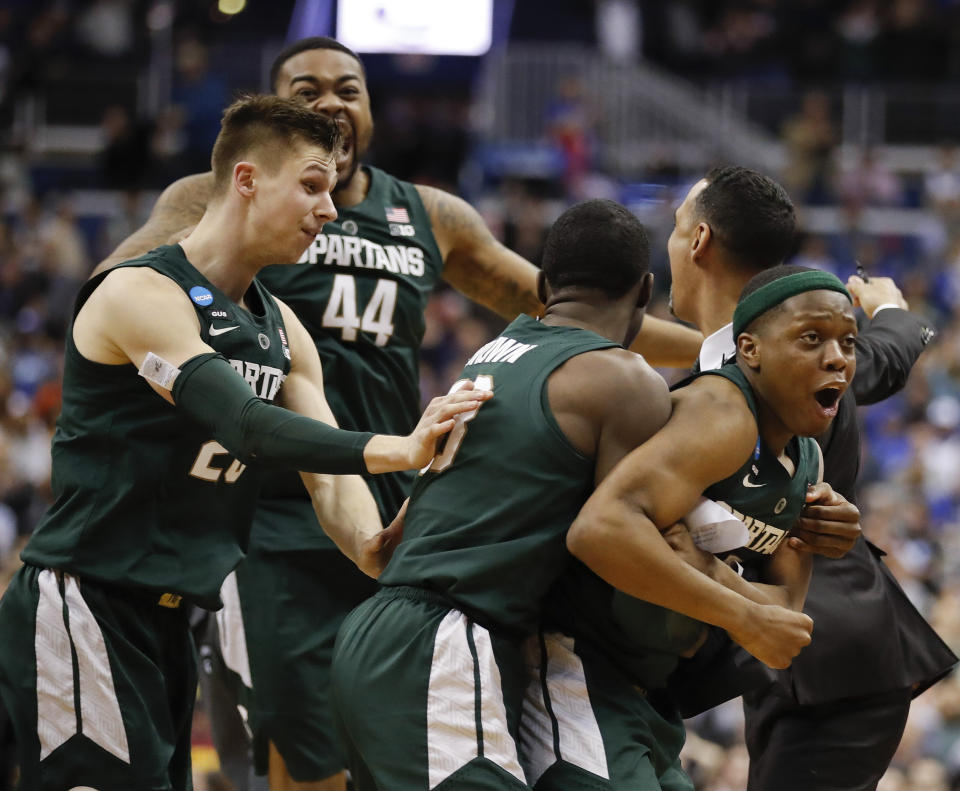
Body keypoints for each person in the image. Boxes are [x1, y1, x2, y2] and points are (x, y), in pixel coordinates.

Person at [93, 36, 705, 791]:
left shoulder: (427, 213)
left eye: (347, 88)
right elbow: (117, 287)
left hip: (388, 511)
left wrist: (715, 350)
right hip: (270, 515)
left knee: (386, 742)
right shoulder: (218, 200)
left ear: (371, 107)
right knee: (297, 754)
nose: (329, 103)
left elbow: (568, 307)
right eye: (305, 89)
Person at [0, 94, 487, 791]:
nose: (328, 209)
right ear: (248, 179)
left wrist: (368, 543)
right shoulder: (141, 292)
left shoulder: (284, 329)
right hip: (85, 601)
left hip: (170, 622)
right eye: (312, 186)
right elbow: (250, 428)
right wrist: (402, 448)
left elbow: (325, 471)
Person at [329, 199, 814, 791]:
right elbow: (627, 536)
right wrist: (745, 609)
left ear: (547, 283)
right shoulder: (623, 378)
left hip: (386, 628)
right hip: (450, 643)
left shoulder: (498, 351)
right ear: (645, 290)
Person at [664, 166, 957, 791]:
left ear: (699, 242)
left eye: (674, 226)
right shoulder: (791, 359)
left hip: (830, 671)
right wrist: (900, 313)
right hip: (802, 664)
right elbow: (888, 357)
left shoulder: (771, 376)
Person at [522, 263, 859, 790]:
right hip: (579, 667)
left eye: (848, 342)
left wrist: (720, 579)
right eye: (811, 338)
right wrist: (744, 613)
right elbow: (598, 530)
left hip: (648, 694)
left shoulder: (809, 462)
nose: (837, 358)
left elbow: (786, 619)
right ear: (750, 351)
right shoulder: (722, 413)